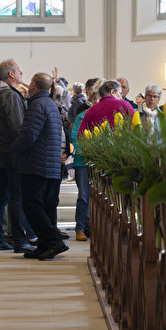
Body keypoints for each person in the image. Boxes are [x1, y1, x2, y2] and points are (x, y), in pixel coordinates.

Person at [11, 72, 68, 260]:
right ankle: (44, 245)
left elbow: (28, 136)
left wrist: (13, 148)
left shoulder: (37, 104)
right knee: (44, 206)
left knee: (31, 204)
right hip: (49, 164)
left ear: (33, 85)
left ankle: (53, 241)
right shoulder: (51, 104)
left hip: (36, 164)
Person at [0, 59, 34, 253]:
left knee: (0, 196)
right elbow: (17, 128)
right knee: (16, 196)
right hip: (13, 151)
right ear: (11, 75)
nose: (22, 72)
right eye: (19, 70)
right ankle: (19, 240)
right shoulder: (11, 96)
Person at [70, 86, 100, 241]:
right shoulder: (82, 116)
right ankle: (80, 228)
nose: (96, 102)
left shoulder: (105, 116)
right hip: (83, 161)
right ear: (90, 100)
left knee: (100, 196)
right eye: (94, 99)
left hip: (100, 161)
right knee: (84, 195)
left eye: (99, 100)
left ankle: (96, 227)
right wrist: (86, 151)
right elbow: (74, 136)